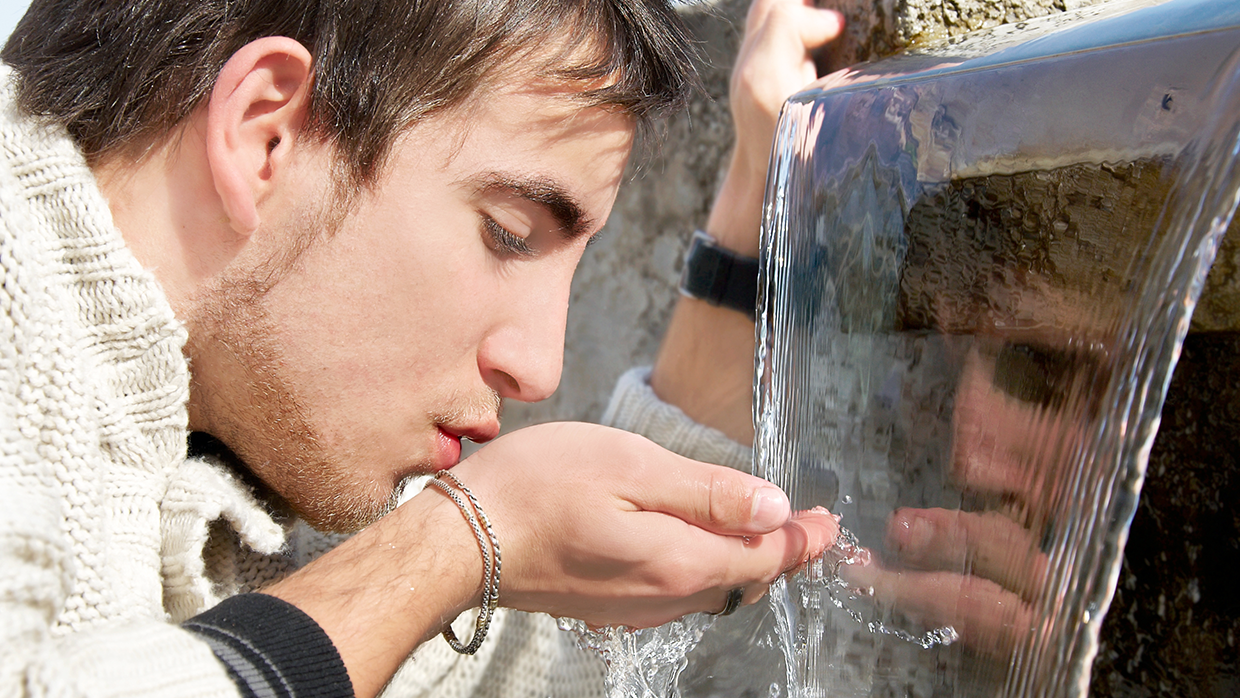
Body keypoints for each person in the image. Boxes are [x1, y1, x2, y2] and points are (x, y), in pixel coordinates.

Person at [0, 0, 845, 696]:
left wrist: (764, 177)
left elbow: (575, 671)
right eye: (508, 235)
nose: (539, 368)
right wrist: (452, 547)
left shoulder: (249, 450)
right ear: (266, 133)